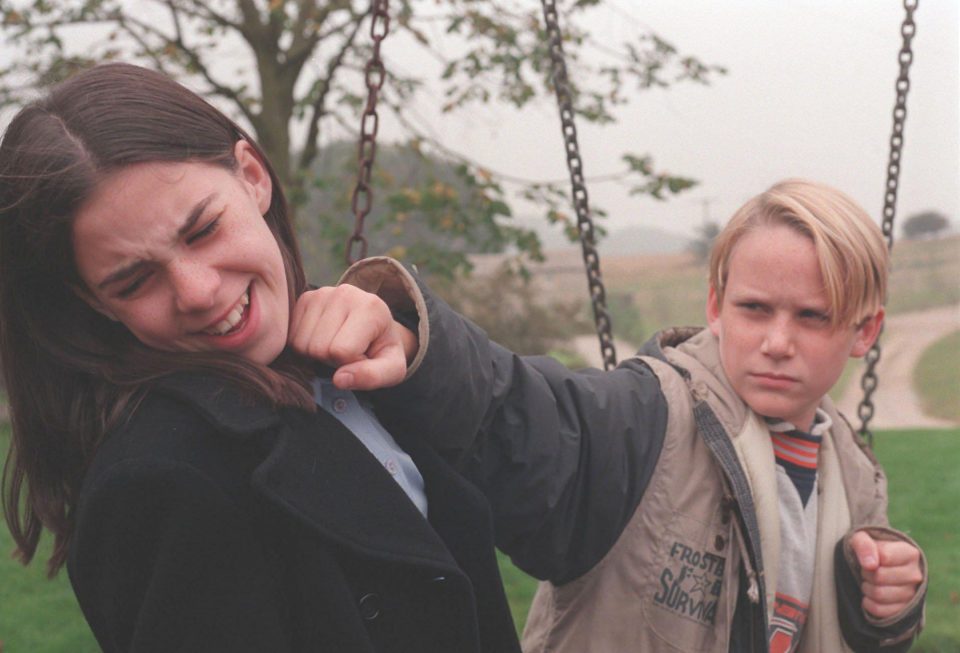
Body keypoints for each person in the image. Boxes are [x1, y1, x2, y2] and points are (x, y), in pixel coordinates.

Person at [0, 63, 521, 653]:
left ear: (251, 176)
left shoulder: (343, 357)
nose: (198, 291)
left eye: (202, 230)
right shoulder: (157, 485)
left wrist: (412, 346)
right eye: (134, 281)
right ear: (93, 303)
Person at [337, 179, 928, 652]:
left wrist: (885, 606)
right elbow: (517, 412)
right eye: (755, 308)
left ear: (864, 330)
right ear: (717, 306)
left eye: (812, 316)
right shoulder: (643, 423)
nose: (778, 340)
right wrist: (417, 348)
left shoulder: (853, 475)